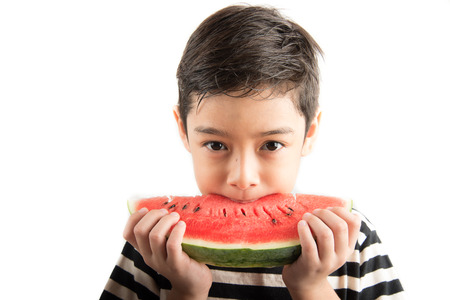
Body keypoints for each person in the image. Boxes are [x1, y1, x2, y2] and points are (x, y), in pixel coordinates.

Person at [101, 5, 405, 300]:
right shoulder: (153, 242)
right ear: (183, 130)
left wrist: (311, 288)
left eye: (271, 145)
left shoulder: (350, 239)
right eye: (216, 145)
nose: (243, 177)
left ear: (309, 133)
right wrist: (186, 292)